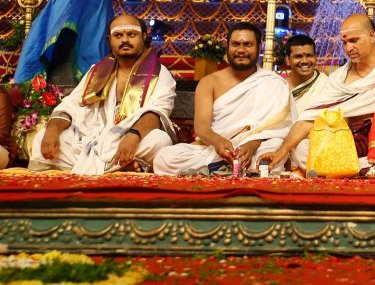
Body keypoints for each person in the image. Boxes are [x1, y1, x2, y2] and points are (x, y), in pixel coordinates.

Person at [261, 14, 375, 177]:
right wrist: (282, 151)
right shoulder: (339, 78)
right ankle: (362, 171)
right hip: (346, 147)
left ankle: (346, 171)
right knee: (301, 148)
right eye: (345, 42)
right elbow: (309, 119)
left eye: (354, 40)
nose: (349, 48)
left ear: (372, 36)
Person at [30, 14, 176, 174]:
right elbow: (71, 104)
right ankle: (121, 167)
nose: (125, 40)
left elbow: (157, 112)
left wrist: (133, 135)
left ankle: (103, 166)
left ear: (144, 37)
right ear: (110, 41)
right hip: (89, 139)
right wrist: (53, 130)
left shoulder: (160, 74)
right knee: (41, 137)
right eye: (118, 35)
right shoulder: (97, 71)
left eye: (131, 34)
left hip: (128, 140)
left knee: (160, 141)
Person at [153, 22, 293, 175]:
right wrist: (218, 142)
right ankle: (232, 169)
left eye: (247, 44)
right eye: (235, 44)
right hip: (217, 149)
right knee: (164, 158)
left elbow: (276, 128)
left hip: (257, 147)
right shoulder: (209, 82)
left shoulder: (273, 82)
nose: (241, 50)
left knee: (274, 148)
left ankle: (214, 171)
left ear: (259, 47)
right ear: (227, 47)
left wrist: (252, 144)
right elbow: (201, 126)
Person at [283, 34, 329, 114]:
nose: (305, 61)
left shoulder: (326, 85)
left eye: (309, 55)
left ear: (315, 57)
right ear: (287, 59)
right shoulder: (280, 87)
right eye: (298, 56)